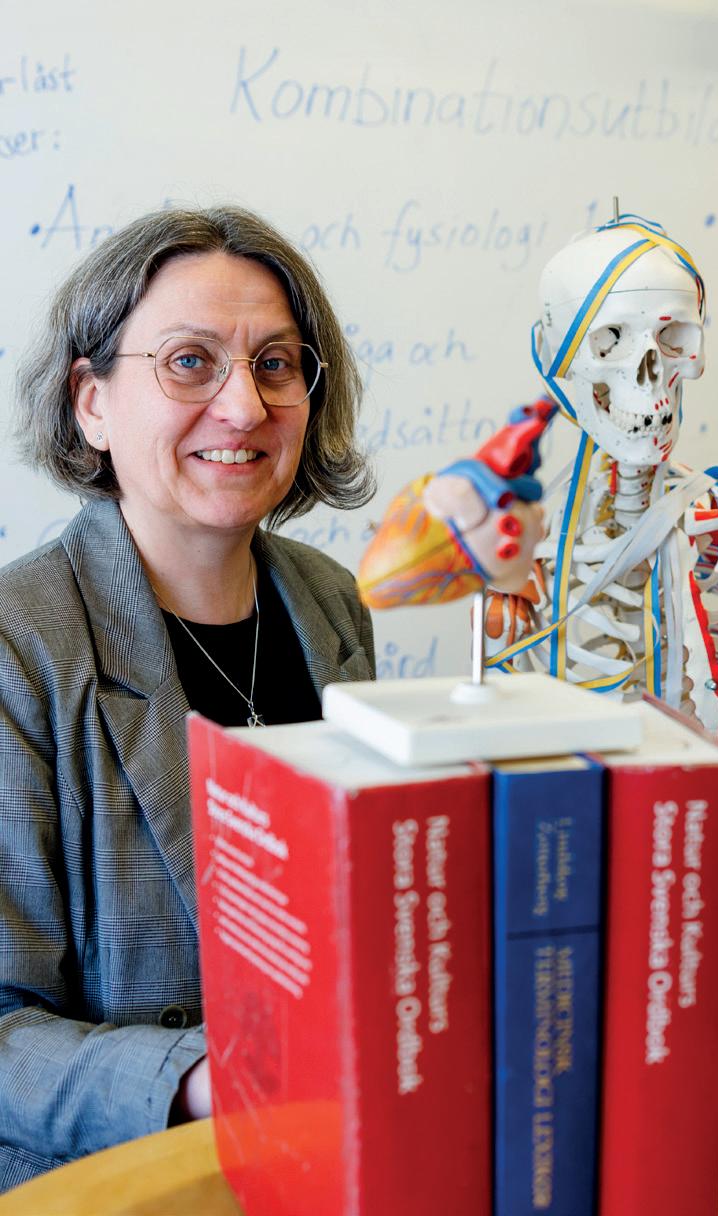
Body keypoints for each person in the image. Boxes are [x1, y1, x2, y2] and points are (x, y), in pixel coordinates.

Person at [0, 206, 376, 1190]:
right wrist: (205, 1082)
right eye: (189, 362)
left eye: (276, 364)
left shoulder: (332, 607)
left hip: (326, 1160)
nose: (243, 406)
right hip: (114, 1181)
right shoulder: (17, 645)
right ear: (91, 403)